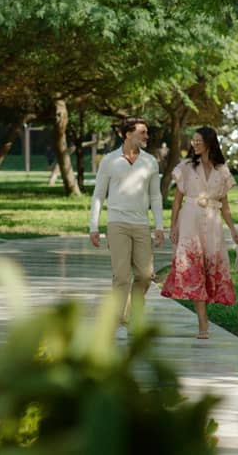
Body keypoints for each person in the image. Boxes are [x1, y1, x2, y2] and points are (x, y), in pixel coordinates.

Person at [161, 126, 238, 339]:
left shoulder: (222, 170)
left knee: (209, 271)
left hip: (213, 225)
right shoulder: (186, 167)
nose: (194, 144)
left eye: (198, 141)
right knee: (194, 271)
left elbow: (225, 206)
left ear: (209, 142)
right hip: (189, 222)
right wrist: (173, 226)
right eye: (193, 141)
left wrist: (233, 230)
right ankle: (203, 325)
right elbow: (176, 202)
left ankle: (204, 321)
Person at [89, 118, 164, 338]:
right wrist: (94, 226)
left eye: (146, 132)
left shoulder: (150, 162)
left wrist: (159, 226)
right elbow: (98, 195)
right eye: (142, 132)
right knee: (121, 276)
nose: (146, 136)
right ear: (127, 134)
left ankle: (133, 314)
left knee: (145, 275)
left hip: (141, 224)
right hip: (117, 224)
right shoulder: (110, 161)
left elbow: (155, 196)